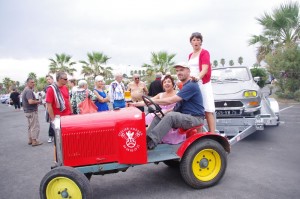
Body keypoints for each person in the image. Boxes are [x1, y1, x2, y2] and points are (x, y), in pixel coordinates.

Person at [131, 62, 204, 150]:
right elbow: (176, 106)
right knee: (159, 115)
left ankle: (151, 142)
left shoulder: (191, 85)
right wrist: (135, 104)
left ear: (188, 71)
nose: (179, 72)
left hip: (195, 118)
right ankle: (143, 140)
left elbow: (170, 101)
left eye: (181, 70)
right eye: (177, 71)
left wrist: (154, 101)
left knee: (171, 116)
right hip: (185, 116)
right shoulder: (185, 86)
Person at [188, 32, 216, 133]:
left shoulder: (204, 53)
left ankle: (212, 133)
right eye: (194, 40)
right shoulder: (190, 55)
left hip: (203, 84)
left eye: (198, 40)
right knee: (197, 111)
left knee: (207, 110)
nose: (196, 42)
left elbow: (205, 69)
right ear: (191, 42)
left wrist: (197, 78)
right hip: (193, 86)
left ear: (201, 42)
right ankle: (198, 135)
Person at [145, 75, 186, 144]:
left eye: (169, 82)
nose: (166, 83)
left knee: (161, 118)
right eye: (164, 82)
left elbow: (178, 107)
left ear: (173, 84)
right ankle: (146, 137)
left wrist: (166, 112)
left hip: (173, 116)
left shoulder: (178, 94)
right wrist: (134, 104)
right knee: (149, 116)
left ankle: (150, 139)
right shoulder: (160, 95)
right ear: (163, 85)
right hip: (161, 114)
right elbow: (148, 100)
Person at [22, 78, 43, 146]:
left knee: (30, 126)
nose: (33, 84)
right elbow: (30, 101)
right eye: (31, 82)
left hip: (27, 111)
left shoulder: (25, 90)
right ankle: (34, 141)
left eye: (34, 82)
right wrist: (38, 101)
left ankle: (30, 139)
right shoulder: (28, 91)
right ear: (27, 83)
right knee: (35, 126)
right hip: (31, 111)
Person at [44, 75, 55, 143]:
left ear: (52, 79)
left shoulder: (56, 86)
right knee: (52, 122)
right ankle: (51, 136)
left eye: (49, 79)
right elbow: (46, 99)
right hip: (50, 108)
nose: (48, 80)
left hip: (56, 108)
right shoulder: (47, 88)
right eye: (47, 79)